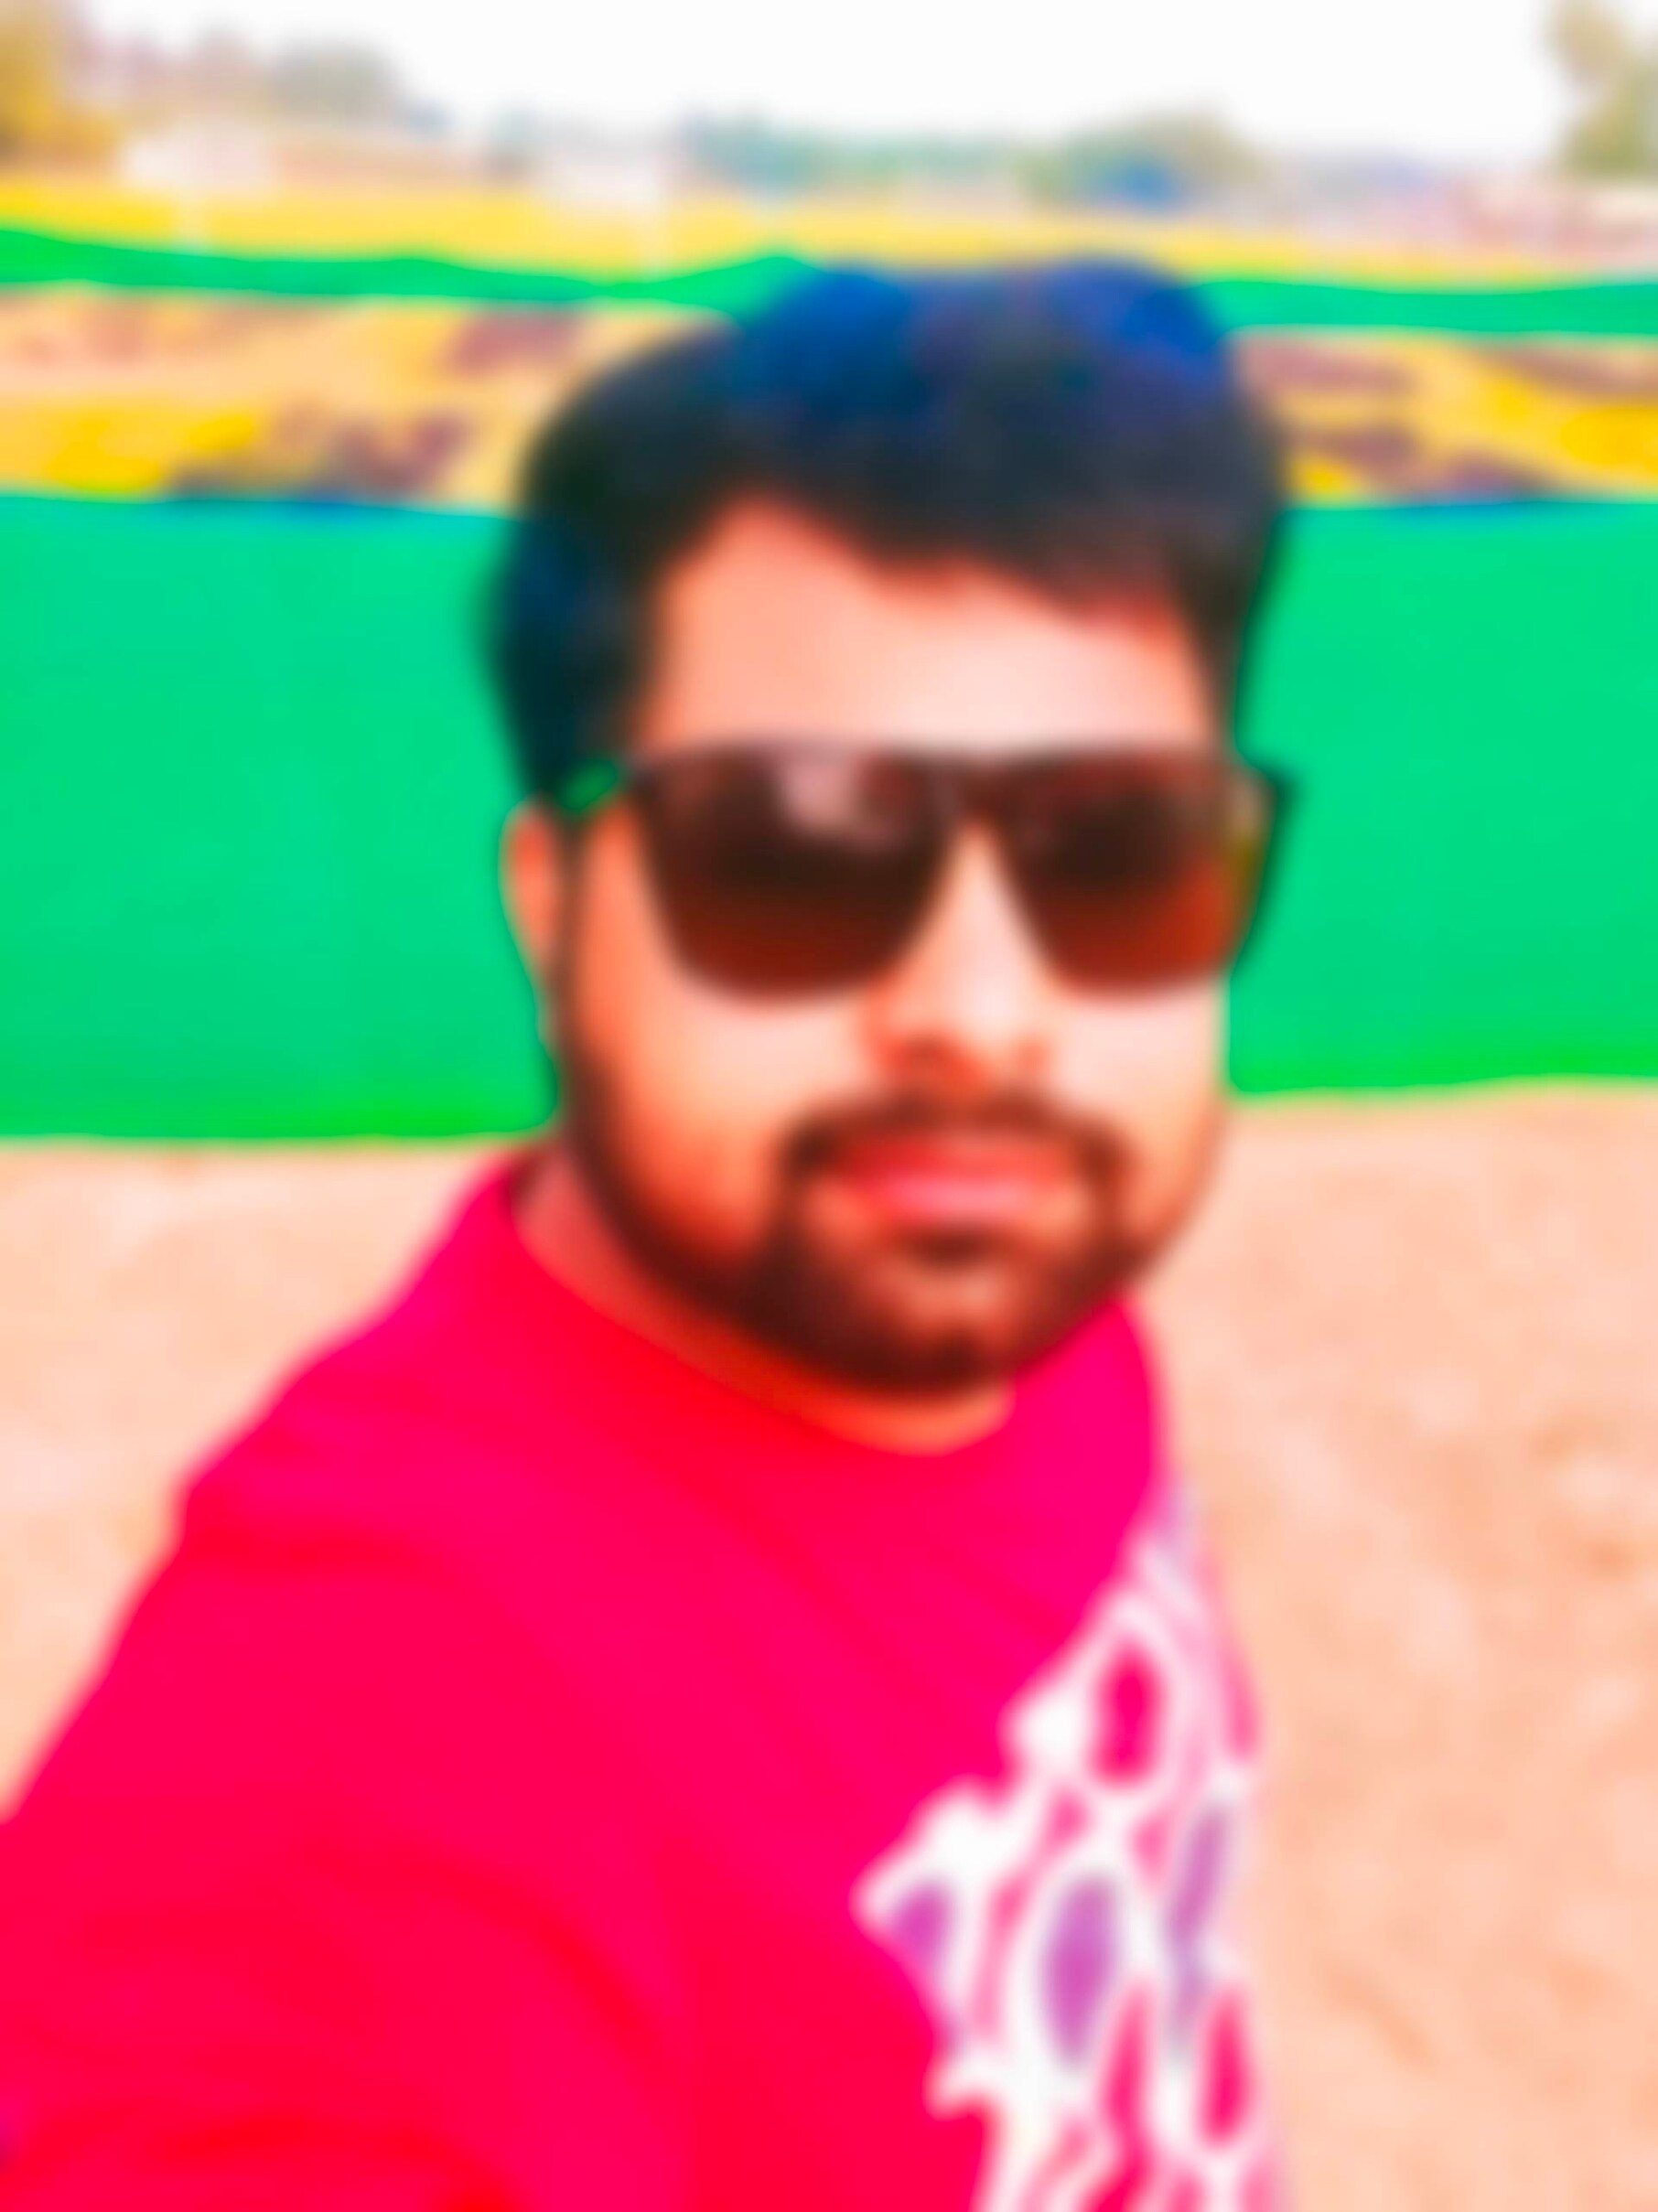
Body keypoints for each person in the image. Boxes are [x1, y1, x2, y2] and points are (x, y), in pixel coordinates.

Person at [0, 263, 1291, 2210]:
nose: (983, 1014)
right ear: (554, 902)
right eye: (790, 851)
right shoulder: (359, 1759)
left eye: (1113, 853)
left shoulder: (992, 1280)